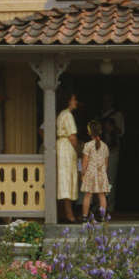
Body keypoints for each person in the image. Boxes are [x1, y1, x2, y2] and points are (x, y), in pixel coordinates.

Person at [56, 92, 79, 222]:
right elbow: (72, 137)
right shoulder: (67, 115)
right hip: (65, 147)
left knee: (64, 179)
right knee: (66, 179)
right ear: (68, 101)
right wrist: (78, 150)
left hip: (61, 146)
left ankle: (64, 212)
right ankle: (69, 215)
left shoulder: (61, 115)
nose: (76, 101)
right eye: (74, 99)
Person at [100, 92, 125, 213]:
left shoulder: (117, 114)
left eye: (108, 100)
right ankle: (99, 203)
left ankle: (110, 204)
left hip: (112, 148)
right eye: (104, 100)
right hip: (98, 149)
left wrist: (113, 129)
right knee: (98, 176)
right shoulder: (98, 114)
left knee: (110, 178)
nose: (106, 102)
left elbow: (122, 131)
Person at [80, 120, 110, 221]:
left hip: (90, 172)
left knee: (88, 195)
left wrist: (83, 173)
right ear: (100, 131)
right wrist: (103, 172)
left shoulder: (88, 145)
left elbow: (85, 161)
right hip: (101, 172)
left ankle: (84, 217)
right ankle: (102, 217)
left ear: (89, 133)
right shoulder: (105, 146)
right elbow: (106, 162)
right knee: (102, 195)